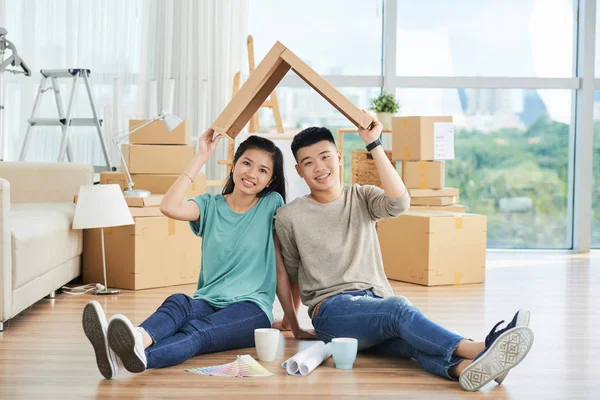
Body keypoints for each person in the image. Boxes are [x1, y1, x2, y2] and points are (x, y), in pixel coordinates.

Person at [273, 115, 534, 391]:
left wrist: (373, 143)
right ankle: (483, 348)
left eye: (325, 157)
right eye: (308, 162)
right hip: (332, 312)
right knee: (399, 310)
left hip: (375, 303)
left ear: (338, 158)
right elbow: (291, 273)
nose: (319, 167)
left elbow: (400, 202)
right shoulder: (290, 216)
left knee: (411, 342)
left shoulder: (361, 197)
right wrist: (295, 323)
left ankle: (466, 368)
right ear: (299, 171)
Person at [82, 129, 312, 380]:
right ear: (234, 165)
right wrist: (202, 155)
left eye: (262, 170)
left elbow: (280, 268)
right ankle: (136, 339)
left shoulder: (272, 204)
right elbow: (168, 207)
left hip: (250, 310)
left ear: (269, 181)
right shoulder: (209, 205)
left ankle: (128, 356)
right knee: (178, 302)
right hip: (207, 301)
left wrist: (294, 324)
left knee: (198, 331)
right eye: (246, 163)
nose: (251, 174)